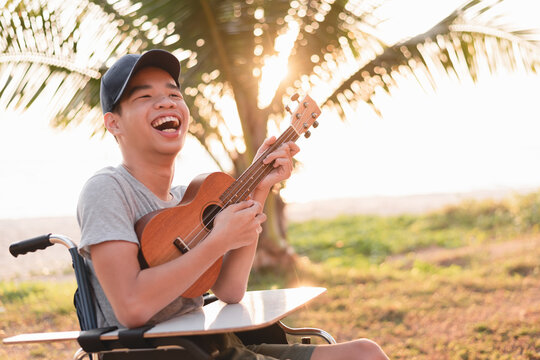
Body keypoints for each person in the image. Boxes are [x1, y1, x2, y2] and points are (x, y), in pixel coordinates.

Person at [77, 49, 389, 360]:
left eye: (174, 94)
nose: (166, 102)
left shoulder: (186, 197)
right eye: (144, 97)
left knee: (365, 352)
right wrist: (218, 241)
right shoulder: (108, 189)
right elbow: (132, 308)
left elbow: (230, 290)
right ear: (113, 123)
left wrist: (260, 190)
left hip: (216, 347)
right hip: (166, 355)